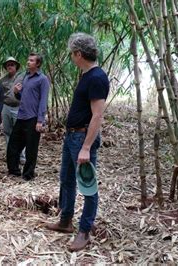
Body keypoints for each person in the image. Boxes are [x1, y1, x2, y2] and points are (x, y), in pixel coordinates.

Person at [45, 33, 109, 252]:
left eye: (72, 53)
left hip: (82, 139)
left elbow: (97, 115)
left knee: (88, 185)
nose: (72, 58)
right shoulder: (86, 75)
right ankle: (66, 220)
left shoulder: (97, 77)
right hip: (72, 136)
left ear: (79, 54)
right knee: (67, 180)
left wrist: (86, 146)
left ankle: (84, 231)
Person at [6, 53, 50, 181]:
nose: (28, 62)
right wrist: (16, 92)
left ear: (38, 64)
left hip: (33, 118)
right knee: (13, 144)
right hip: (21, 116)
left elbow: (43, 100)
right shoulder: (26, 77)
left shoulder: (42, 79)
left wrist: (40, 120)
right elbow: (22, 98)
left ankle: (28, 174)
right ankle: (13, 170)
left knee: (31, 148)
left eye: (31, 60)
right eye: (28, 59)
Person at [0, 57, 26, 164]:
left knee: (20, 132)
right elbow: (1, 96)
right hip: (6, 107)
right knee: (7, 131)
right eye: (8, 65)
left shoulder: (23, 77)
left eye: (12, 64)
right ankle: (11, 154)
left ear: (16, 66)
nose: (10, 66)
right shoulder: (2, 80)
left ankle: (21, 155)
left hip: (19, 107)